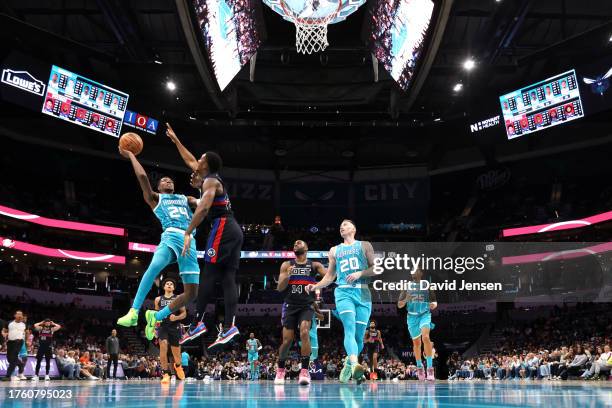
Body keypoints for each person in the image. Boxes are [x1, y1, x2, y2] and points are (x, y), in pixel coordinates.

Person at [163, 123, 244, 350]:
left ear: (206, 164)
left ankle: (197, 323)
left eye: (200, 159)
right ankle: (229, 326)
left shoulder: (210, 181)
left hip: (222, 227)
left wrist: (188, 232)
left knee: (209, 273)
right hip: (234, 229)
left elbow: (205, 207)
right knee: (228, 277)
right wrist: (176, 139)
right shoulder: (209, 177)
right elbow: (190, 161)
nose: (196, 162)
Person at [115, 146, 200, 342]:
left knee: (191, 293)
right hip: (171, 235)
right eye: (163, 180)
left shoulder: (184, 198)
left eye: (170, 179)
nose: (168, 180)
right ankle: (134, 311)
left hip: (189, 241)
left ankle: (155, 316)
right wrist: (131, 156)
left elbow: (203, 202)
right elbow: (143, 179)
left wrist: (203, 186)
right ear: (159, 187)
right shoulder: (156, 198)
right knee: (153, 268)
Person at [306, 220, 377, 383]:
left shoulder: (365, 245)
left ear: (353, 228)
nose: (342, 227)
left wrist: (360, 273)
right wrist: (315, 285)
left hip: (364, 292)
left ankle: (348, 365)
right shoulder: (334, 250)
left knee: (360, 337)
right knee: (350, 329)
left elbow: (375, 268)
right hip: (344, 291)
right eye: (340, 226)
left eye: (345, 224)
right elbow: (330, 276)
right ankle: (354, 364)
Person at [274, 240, 326, 385]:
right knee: (287, 341)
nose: (296, 243)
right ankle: (280, 370)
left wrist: (336, 266)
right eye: (295, 243)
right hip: (290, 305)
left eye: (300, 242)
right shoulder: (287, 265)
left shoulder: (314, 265)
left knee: (304, 332)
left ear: (306, 248)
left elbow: (328, 275)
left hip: (306, 305)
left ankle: (304, 371)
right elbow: (280, 288)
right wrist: (287, 276)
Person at [397, 268, 437, 381]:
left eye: (416, 271)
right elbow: (399, 305)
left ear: (421, 273)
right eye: (412, 272)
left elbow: (434, 300)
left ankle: (430, 368)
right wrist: (405, 300)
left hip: (424, 314)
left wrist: (433, 304)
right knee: (416, 343)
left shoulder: (427, 284)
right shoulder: (406, 286)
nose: (413, 273)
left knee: (426, 337)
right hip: (412, 316)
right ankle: (420, 367)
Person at [155, 278, 187, 383]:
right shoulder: (158, 299)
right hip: (163, 327)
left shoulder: (178, 298)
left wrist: (176, 318)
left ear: (173, 288)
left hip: (175, 326)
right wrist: (155, 328)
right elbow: (156, 316)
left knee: (176, 354)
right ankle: (165, 373)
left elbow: (184, 314)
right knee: (163, 346)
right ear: (164, 287)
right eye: (167, 284)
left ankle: (178, 366)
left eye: (171, 284)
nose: (169, 285)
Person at [6, 311, 26, 381]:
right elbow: (5, 331)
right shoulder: (9, 323)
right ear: (15, 315)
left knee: (13, 358)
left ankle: (9, 375)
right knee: (9, 358)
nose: (20, 316)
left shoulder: (23, 324)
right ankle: (20, 364)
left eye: (21, 315)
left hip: (18, 342)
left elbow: (23, 333)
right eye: (18, 314)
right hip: (10, 342)